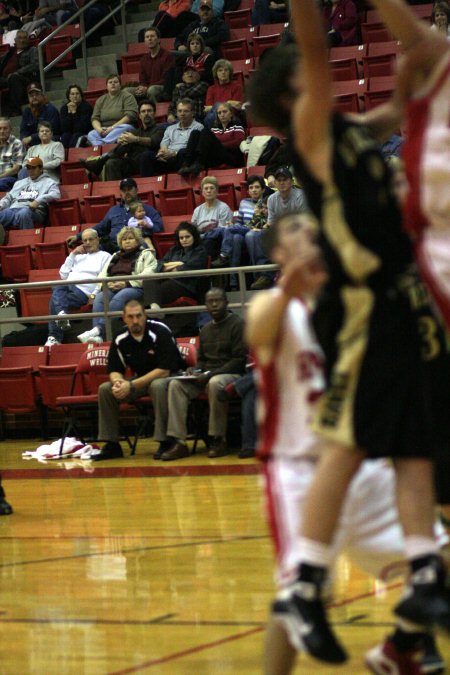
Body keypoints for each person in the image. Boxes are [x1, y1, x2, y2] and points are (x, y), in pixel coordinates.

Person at [248, 3, 450, 665]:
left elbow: (393, 116)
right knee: (353, 437)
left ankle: (423, 576)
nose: (327, 76)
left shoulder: (352, 127)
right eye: (313, 73)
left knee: (414, 444)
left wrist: (405, 78)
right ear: (294, 92)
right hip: (360, 301)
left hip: (399, 293)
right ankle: (305, 583)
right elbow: (313, 44)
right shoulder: (310, 132)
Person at [246, 211, 447, 675]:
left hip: (366, 464)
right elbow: (257, 331)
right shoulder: (275, 306)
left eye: (313, 228)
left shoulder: (354, 303)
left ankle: (398, 651)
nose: (310, 233)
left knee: (438, 562)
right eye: (296, 229)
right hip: (299, 470)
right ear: (277, 252)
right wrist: (289, 289)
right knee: (298, 596)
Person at [150, 287, 247, 460]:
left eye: (218, 300)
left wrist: (209, 374)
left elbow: (239, 360)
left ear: (227, 303)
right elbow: (202, 359)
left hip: (232, 374)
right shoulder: (206, 329)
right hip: (207, 375)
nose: (215, 304)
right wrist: (195, 370)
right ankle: (179, 442)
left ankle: (218, 439)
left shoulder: (238, 324)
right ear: (206, 306)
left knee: (215, 383)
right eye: (210, 302)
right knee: (176, 384)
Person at [92, 298, 185, 461]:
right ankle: (112, 444)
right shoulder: (121, 337)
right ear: (124, 317)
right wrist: (118, 383)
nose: (135, 321)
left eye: (139, 316)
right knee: (105, 389)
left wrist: (131, 384)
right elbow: (114, 369)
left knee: (157, 385)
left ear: (145, 315)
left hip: (171, 377)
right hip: (141, 380)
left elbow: (164, 371)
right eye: (131, 317)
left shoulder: (160, 331)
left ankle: (165, 441)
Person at [77, 227, 157, 344]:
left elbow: (149, 274)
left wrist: (126, 283)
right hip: (112, 286)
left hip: (134, 287)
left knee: (121, 296)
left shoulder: (146, 254)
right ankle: (98, 337)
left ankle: (98, 330)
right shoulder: (115, 255)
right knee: (99, 298)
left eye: (131, 238)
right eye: (124, 239)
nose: (127, 241)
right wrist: (107, 283)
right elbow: (102, 275)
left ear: (137, 240)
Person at [45, 229, 111, 348]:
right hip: (67, 286)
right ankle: (62, 316)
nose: (87, 242)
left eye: (91, 239)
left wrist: (93, 295)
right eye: (85, 240)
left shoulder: (105, 256)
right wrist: (73, 254)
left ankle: (54, 336)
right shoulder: (78, 256)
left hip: (83, 291)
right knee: (58, 285)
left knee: (54, 300)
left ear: (98, 239)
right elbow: (63, 275)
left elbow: (103, 278)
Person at [67, 178, 164, 254]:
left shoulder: (146, 209)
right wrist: (78, 236)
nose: (127, 192)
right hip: (113, 245)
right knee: (88, 249)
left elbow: (158, 227)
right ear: (120, 193)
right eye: (123, 190)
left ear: (136, 190)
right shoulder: (114, 210)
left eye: (129, 189)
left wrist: (145, 227)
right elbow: (100, 228)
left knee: (144, 247)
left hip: (135, 245)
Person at [79, 100, 165, 181]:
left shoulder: (160, 129)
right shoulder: (135, 131)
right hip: (132, 163)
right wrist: (121, 141)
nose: (146, 113)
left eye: (149, 111)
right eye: (143, 111)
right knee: (111, 163)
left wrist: (135, 139)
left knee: (130, 142)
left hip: (149, 163)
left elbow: (154, 141)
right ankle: (114, 194)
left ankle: (100, 162)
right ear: (139, 115)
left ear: (154, 113)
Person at [212, 174, 270, 289]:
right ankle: (234, 282)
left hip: (259, 231)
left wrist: (233, 227)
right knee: (236, 237)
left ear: (263, 189)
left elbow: (268, 221)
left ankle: (224, 254)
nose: (254, 190)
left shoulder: (267, 202)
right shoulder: (244, 202)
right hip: (244, 230)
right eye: (251, 188)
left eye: (257, 187)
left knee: (236, 232)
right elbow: (239, 222)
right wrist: (233, 225)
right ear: (248, 190)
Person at [143, 221, 209, 310]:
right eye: (181, 238)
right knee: (148, 280)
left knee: (152, 291)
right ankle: (155, 309)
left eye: (187, 237)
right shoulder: (174, 250)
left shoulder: (200, 252)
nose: (184, 240)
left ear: (194, 237)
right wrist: (178, 263)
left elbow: (183, 270)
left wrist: (169, 267)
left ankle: (152, 311)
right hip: (169, 280)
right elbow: (159, 265)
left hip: (187, 287)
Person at [140, 98, 204, 176]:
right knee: (146, 155)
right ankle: (148, 184)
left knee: (183, 152)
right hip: (167, 159)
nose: (182, 114)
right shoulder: (170, 128)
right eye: (179, 111)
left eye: (185, 111)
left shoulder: (199, 127)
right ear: (176, 113)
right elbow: (164, 144)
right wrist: (162, 152)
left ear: (193, 113)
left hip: (183, 159)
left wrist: (174, 153)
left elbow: (191, 148)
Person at [179, 101, 246, 176]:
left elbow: (238, 142)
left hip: (230, 157)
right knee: (195, 133)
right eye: (219, 113)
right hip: (214, 157)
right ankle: (187, 163)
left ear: (231, 113)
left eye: (224, 112)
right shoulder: (214, 129)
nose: (222, 115)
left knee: (205, 132)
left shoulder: (237, 126)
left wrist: (218, 144)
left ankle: (199, 162)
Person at [0, 156, 60, 236]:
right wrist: (1, 205)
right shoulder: (20, 183)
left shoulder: (49, 182)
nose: (30, 171)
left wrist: (38, 200)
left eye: (33, 168)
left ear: (41, 169)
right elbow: (8, 197)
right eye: (28, 168)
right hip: (13, 210)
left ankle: (26, 242)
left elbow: (56, 194)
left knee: (23, 213)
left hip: (34, 211)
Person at [84, 74, 138, 147]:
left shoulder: (127, 96)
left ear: (120, 85)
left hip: (120, 127)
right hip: (104, 129)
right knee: (91, 134)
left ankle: (101, 146)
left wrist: (112, 128)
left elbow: (130, 115)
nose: (113, 84)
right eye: (110, 82)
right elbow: (94, 118)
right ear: (106, 86)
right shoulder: (100, 100)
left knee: (125, 127)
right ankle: (105, 146)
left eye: (115, 82)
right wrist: (99, 130)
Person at [191, 175, 233, 256]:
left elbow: (222, 231)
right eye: (206, 188)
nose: (209, 191)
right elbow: (193, 229)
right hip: (200, 241)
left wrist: (202, 236)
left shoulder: (223, 208)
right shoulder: (197, 210)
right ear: (202, 192)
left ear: (217, 191)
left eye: (212, 188)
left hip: (216, 242)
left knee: (207, 243)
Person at [0, 30, 38, 116]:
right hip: (6, 79)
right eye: (19, 38)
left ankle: (15, 110)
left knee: (14, 78)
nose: (22, 40)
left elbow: (35, 64)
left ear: (28, 40)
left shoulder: (32, 50)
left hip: (24, 78)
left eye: (24, 38)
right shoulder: (10, 52)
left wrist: (18, 72)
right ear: (15, 40)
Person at [134, 27, 175, 104]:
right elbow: (142, 80)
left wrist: (147, 87)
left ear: (159, 39)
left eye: (152, 36)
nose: (150, 39)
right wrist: (142, 87)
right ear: (145, 41)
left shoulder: (168, 56)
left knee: (152, 90)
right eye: (147, 37)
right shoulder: (143, 59)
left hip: (162, 87)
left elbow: (166, 79)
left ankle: (156, 114)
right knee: (127, 91)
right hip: (148, 87)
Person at [203, 60, 244, 128]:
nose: (223, 72)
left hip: (232, 119)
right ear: (216, 73)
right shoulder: (211, 89)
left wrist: (215, 107)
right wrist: (229, 102)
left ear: (230, 72)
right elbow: (208, 109)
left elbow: (236, 108)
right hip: (214, 119)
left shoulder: (237, 87)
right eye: (220, 70)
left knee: (216, 106)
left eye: (226, 70)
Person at [20, 82, 61, 148]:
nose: (34, 97)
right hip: (33, 145)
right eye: (31, 96)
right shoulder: (27, 111)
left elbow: (50, 131)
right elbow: (23, 130)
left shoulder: (51, 109)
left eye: (37, 94)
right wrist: (24, 138)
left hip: (50, 143)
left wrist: (31, 138)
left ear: (42, 95)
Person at [59, 84, 93, 149]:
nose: (75, 96)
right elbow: (64, 128)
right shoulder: (64, 108)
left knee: (76, 136)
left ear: (81, 95)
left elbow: (81, 128)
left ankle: (73, 156)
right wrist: (69, 113)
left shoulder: (86, 107)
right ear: (69, 96)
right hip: (70, 133)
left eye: (77, 94)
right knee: (65, 137)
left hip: (84, 133)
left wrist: (74, 113)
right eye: (72, 94)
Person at [0, 117, 24, 191]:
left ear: (11, 130)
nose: (2, 131)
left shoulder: (16, 143)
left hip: (9, 178)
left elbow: (16, 169)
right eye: (0, 128)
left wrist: (0, 176)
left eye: (5, 128)